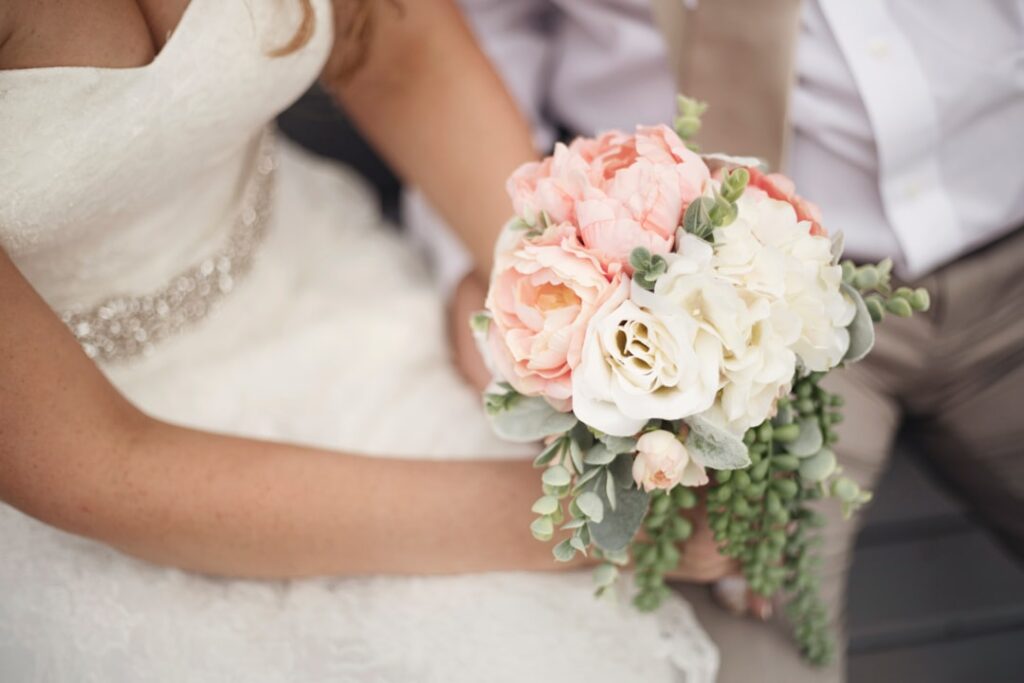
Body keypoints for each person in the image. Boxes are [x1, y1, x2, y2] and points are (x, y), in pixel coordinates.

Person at [0, 1, 722, 680]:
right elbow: (97, 464)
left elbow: (397, 51)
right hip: (91, 464)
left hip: (327, 286)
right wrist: (594, 517)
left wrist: (575, 329)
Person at [425, 1, 1024, 681]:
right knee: (730, 654)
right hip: (704, 309)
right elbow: (465, 36)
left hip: (1008, 212)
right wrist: (509, 267)